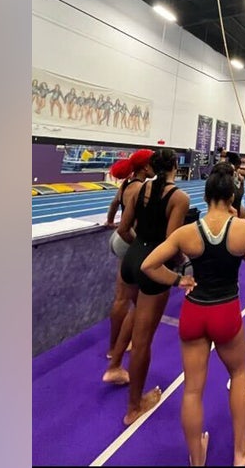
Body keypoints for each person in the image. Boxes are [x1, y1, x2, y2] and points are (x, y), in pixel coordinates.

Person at [141, 163, 245, 466]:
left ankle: (197, 459)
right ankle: (240, 451)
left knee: (192, 390)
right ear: (233, 195)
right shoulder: (242, 228)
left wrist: (177, 280)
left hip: (194, 311)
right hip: (225, 312)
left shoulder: (187, 232)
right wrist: (240, 222)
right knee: (238, 375)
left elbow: (148, 265)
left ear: (207, 194)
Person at [109, 148, 190, 425]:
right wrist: (180, 268)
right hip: (153, 266)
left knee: (133, 314)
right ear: (174, 168)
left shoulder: (139, 189)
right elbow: (171, 244)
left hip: (132, 259)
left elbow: (122, 229)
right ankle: (134, 407)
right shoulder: (178, 197)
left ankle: (114, 366)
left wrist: (139, 248)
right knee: (143, 341)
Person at [102, 149, 154, 368]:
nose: (154, 168)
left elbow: (115, 204)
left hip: (118, 237)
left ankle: (126, 337)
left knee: (130, 295)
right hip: (128, 239)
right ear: (145, 168)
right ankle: (114, 347)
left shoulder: (126, 185)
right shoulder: (141, 187)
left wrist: (109, 221)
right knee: (123, 297)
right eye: (152, 165)